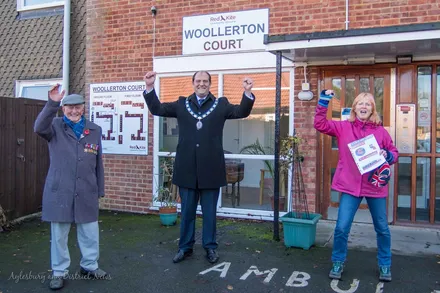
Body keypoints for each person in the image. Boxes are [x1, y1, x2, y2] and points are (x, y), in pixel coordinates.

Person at [143, 71, 255, 264]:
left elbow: (241, 112)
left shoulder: (221, 105)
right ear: (193, 83)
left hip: (211, 170)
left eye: (205, 81)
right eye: (198, 81)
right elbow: (157, 109)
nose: (201, 84)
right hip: (187, 169)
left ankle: (210, 247)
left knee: (210, 214)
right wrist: (150, 87)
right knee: (187, 213)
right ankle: (185, 248)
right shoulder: (181, 104)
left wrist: (247, 92)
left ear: (210, 84)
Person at [314, 90, 398, 282]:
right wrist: (324, 100)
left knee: (382, 228)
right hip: (350, 186)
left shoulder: (381, 131)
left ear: (372, 109)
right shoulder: (344, 127)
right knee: (342, 227)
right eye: (360, 103)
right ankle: (338, 261)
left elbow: (393, 151)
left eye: (368, 104)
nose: (363, 107)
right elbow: (319, 124)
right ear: (354, 108)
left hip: (374, 187)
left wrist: (389, 155)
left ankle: (385, 265)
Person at [34, 84, 107, 290]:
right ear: (63, 108)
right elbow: (38, 127)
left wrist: (99, 189)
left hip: (87, 190)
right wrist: (52, 103)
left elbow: (98, 162)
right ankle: (59, 271)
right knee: (59, 235)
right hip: (60, 190)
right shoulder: (54, 126)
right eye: (69, 107)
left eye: (78, 107)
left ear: (83, 108)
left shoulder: (94, 130)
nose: (74, 111)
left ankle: (90, 265)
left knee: (90, 231)